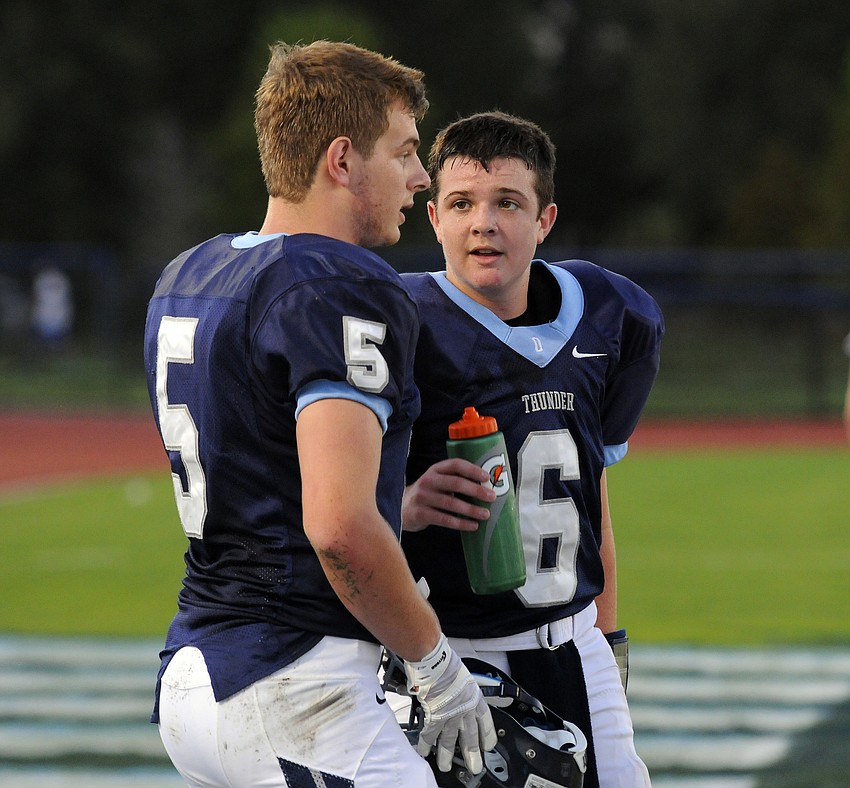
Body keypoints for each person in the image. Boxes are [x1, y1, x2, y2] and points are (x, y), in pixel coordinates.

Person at [143, 41, 495, 788]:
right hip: (294, 683)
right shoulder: (339, 282)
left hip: (196, 676)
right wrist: (436, 665)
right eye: (402, 151)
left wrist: (392, 504)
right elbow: (335, 528)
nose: (420, 176)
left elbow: (266, 483)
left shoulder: (192, 272)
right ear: (342, 160)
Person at [400, 111, 664, 786]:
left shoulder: (611, 313)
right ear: (434, 219)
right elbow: (328, 497)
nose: (483, 222)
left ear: (544, 220)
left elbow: (592, 495)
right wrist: (403, 505)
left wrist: (605, 637)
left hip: (574, 645)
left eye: (507, 203)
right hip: (448, 657)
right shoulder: (398, 324)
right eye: (461, 203)